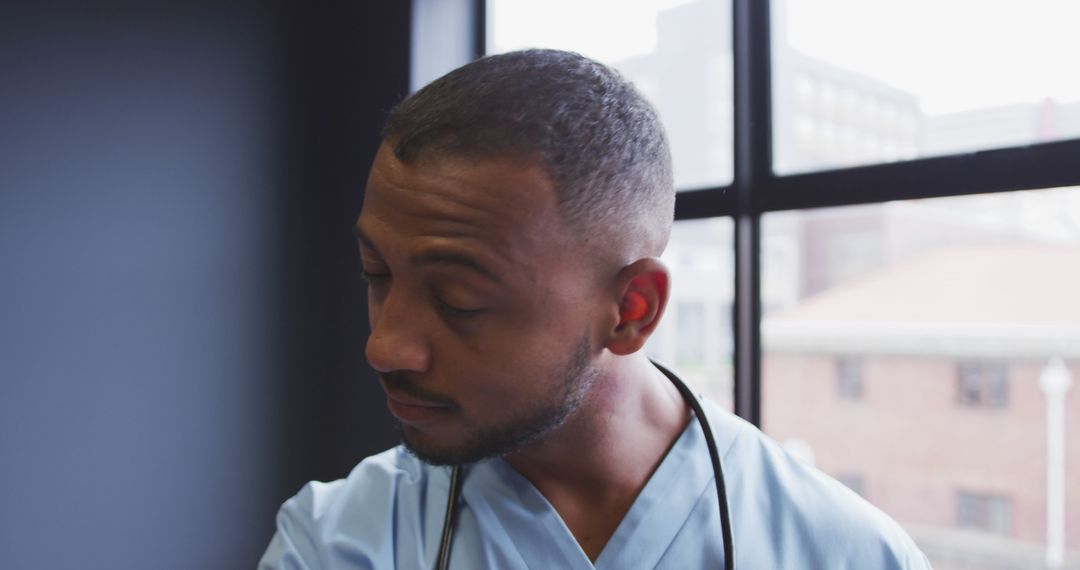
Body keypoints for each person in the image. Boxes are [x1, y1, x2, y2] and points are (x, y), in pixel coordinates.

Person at [259, 49, 931, 569]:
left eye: (459, 300)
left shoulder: (845, 552)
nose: (385, 346)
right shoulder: (335, 543)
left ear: (631, 310)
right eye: (376, 274)